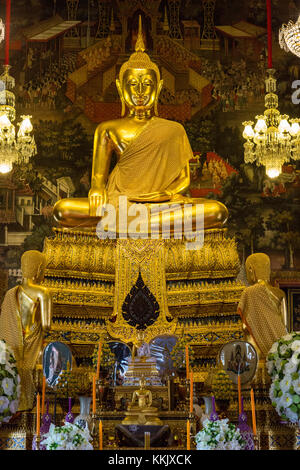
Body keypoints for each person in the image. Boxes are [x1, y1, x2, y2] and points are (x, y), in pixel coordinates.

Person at [53, 16, 228, 235]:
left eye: (147, 85)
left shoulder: (174, 130)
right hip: (119, 203)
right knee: (64, 210)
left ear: (158, 88)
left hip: (161, 205)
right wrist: (96, 190)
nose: (140, 92)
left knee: (215, 211)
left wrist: (164, 194)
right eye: (132, 85)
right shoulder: (108, 129)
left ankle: (133, 225)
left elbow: (183, 180)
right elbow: (98, 180)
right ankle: (143, 225)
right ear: (120, 88)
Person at [0, 250, 52, 410]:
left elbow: (5, 326)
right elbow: (46, 325)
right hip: (33, 350)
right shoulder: (43, 293)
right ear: (39, 269)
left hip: (13, 350)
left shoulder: (10, 294)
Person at [238, 253, 287, 358]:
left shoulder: (248, 292)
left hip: (256, 345)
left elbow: (245, 325)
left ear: (251, 269)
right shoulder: (280, 293)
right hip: (279, 344)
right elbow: (285, 323)